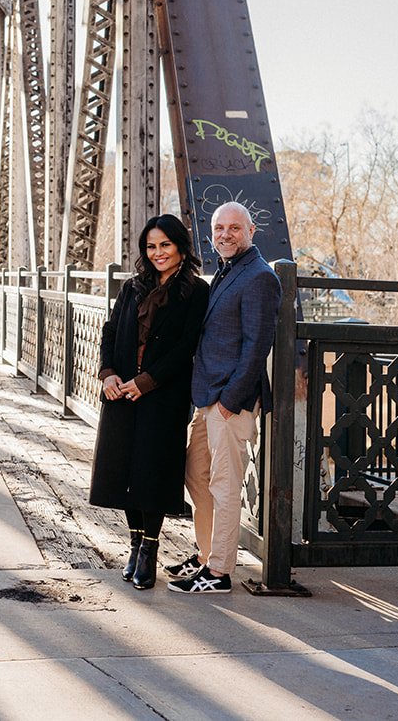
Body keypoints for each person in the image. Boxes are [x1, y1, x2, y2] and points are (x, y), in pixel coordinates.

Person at [90, 214, 209, 590]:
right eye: (151, 246)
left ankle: (151, 552)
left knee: (152, 471)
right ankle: (135, 543)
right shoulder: (132, 288)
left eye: (165, 245)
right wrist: (107, 373)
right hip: (121, 389)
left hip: (163, 394)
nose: (158, 253)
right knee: (124, 469)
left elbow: (187, 346)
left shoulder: (196, 291)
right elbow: (110, 330)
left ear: (180, 248)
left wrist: (148, 381)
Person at [168, 202, 281, 595]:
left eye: (235, 228)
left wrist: (230, 401)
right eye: (219, 228)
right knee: (196, 474)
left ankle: (218, 573)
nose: (226, 234)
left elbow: (256, 347)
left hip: (229, 401)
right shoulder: (228, 271)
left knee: (224, 484)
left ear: (252, 230)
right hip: (208, 396)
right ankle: (206, 554)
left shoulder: (261, 277)